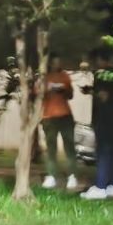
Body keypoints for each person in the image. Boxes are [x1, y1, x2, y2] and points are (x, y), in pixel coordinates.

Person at [80, 49, 113, 200]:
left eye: (96, 62)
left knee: (103, 153)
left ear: (101, 60)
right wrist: (92, 89)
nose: (95, 65)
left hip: (105, 120)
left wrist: (92, 91)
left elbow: (103, 96)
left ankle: (100, 187)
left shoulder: (102, 75)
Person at [40, 53, 78, 190]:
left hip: (65, 115)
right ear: (50, 63)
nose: (58, 64)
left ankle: (72, 176)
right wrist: (47, 88)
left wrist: (64, 89)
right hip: (49, 117)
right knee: (51, 148)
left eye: (59, 62)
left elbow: (71, 95)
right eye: (55, 62)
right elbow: (36, 93)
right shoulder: (44, 77)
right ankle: (51, 176)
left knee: (69, 147)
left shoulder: (64, 76)